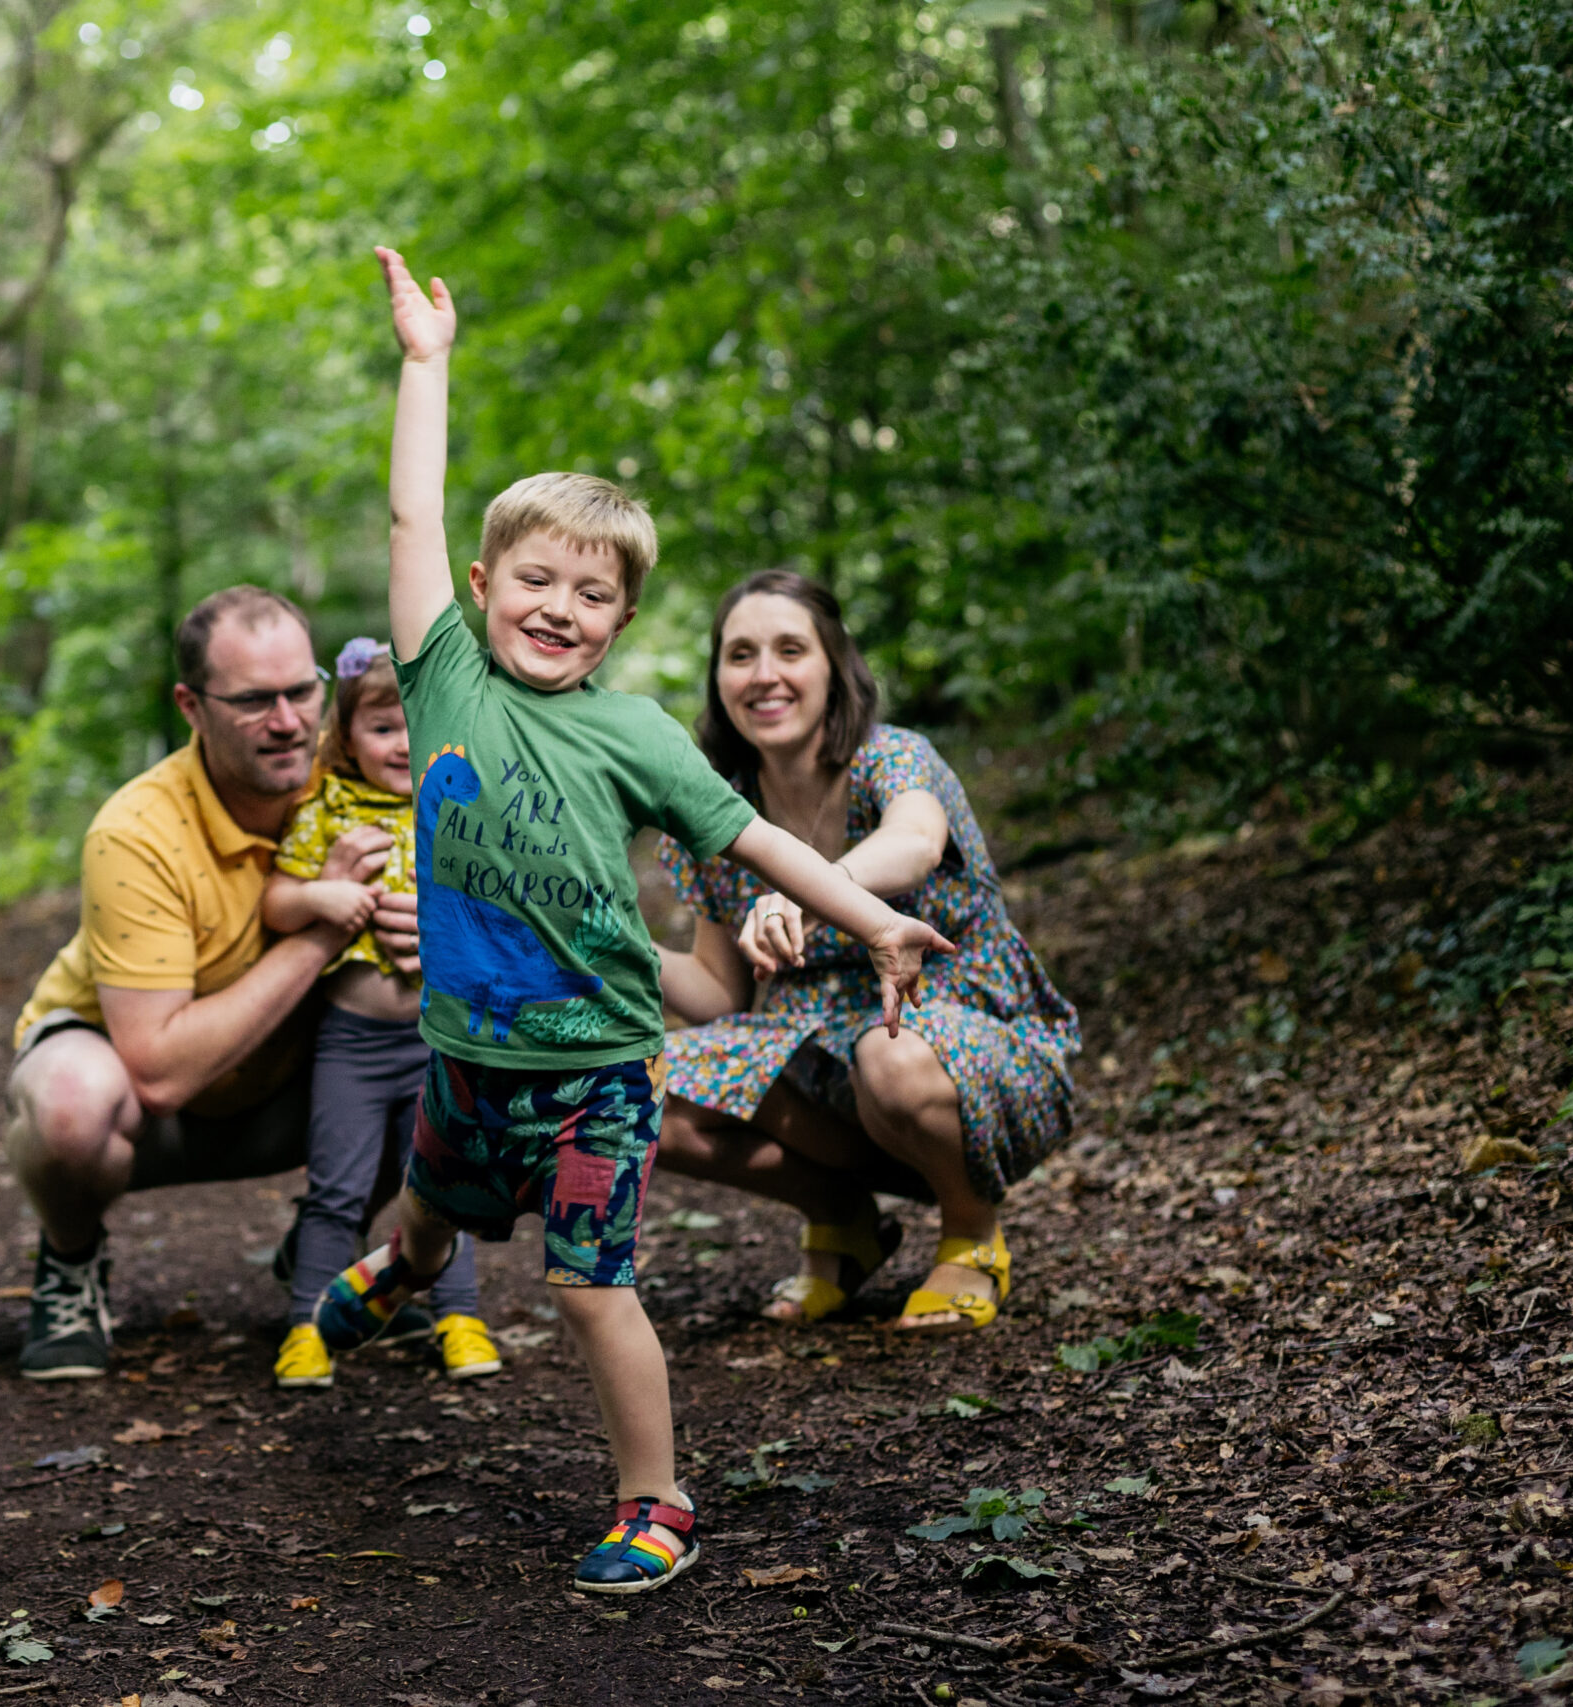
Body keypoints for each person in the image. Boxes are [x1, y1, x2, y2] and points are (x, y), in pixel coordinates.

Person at [306, 247, 950, 1596]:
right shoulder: (443, 680)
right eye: (536, 580)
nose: (560, 607)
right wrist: (425, 364)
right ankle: (401, 1270)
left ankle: (655, 1500)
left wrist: (875, 923)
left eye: (592, 593)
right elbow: (410, 516)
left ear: (622, 619)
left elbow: (764, 843)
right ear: (482, 586)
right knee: (429, 1209)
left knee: (588, 1283)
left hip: (598, 1069)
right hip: (466, 1054)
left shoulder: (640, 736)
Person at [2, 585, 415, 1379]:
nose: (289, 721)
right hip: (143, 1093)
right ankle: (71, 1258)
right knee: (69, 1107)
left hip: (301, 1076)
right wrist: (329, 924)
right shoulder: (138, 831)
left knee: (455, 1054)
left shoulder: (358, 774)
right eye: (254, 701)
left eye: (301, 691)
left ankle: (325, 1247)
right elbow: (157, 1072)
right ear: (191, 706)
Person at [654, 569, 1081, 1333]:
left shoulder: (893, 758)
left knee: (890, 1053)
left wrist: (816, 890)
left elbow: (915, 841)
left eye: (791, 650)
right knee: (638, 1087)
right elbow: (719, 994)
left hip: (963, 1050)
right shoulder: (720, 811)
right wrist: (603, 945)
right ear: (718, 677)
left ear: (835, 665)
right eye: (741, 654)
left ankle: (971, 1232)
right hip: (816, 1067)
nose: (764, 674)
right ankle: (842, 1218)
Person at [258, 637, 503, 1389]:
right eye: (381, 726)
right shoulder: (327, 809)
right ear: (346, 735)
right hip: (353, 1042)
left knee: (441, 1182)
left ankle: (457, 1316)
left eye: (415, 723)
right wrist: (321, 895)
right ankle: (307, 1326)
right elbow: (276, 898)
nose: (402, 741)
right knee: (336, 1188)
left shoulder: (458, 802)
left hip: (440, 1036)